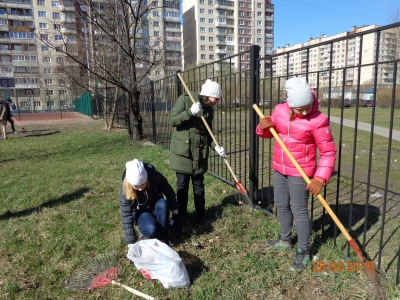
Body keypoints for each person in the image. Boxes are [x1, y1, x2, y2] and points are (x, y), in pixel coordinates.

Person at [255, 77, 336, 271]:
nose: (306, 111)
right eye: (300, 109)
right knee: (281, 204)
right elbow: (269, 133)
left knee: (299, 210)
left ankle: (304, 251)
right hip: (280, 167)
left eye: (308, 106)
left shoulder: (318, 120)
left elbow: (328, 152)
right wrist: (262, 128)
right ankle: (284, 240)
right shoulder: (279, 110)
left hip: (301, 171)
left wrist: (319, 178)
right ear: (289, 103)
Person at [169, 79, 226, 226]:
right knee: (182, 186)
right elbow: (172, 121)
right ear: (207, 95)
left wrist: (216, 147)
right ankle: (181, 217)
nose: (217, 101)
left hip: (199, 155)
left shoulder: (209, 110)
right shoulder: (186, 100)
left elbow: (208, 134)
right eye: (216, 98)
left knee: (199, 187)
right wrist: (190, 112)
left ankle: (201, 216)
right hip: (183, 153)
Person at [119, 159, 181, 249]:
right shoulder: (125, 187)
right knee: (151, 229)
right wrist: (131, 244)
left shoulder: (154, 176)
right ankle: (145, 230)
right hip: (140, 212)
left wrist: (175, 213)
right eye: (136, 186)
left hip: (156, 206)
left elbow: (168, 191)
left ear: (146, 177)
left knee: (163, 203)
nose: (140, 189)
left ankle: (163, 238)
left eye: (143, 184)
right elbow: (126, 214)